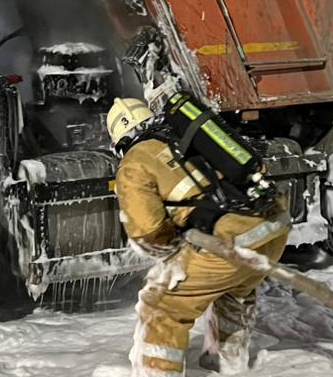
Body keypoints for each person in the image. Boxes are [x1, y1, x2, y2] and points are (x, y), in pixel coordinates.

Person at [108, 95, 291, 376]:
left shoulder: (135, 161)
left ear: (120, 142)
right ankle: (227, 364)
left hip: (229, 241)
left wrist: (173, 251)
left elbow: (148, 232)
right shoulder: (188, 133)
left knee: (161, 309)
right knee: (235, 290)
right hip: (273, 228)